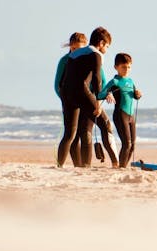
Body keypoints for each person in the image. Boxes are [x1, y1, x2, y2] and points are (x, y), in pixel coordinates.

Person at [57, 26, 117, 168]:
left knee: (70, 134)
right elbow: (97, 79)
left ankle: (59, 166)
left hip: (66, 94)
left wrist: (65, 97)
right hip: (82, 92)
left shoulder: (74, 54)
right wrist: (97, 103)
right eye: (107, 46)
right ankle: (116, 163)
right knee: (106, 124)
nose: (106, 50)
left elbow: (63, 81)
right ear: (101, 43)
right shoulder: (96, 54)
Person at [98, 53, 142, 168]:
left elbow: (134, 96)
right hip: (120, 114)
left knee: (132, 145)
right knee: (126, 143)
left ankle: (123, 167)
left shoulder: (131, 81)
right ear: (116, 67)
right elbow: (100, 94)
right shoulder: (115, 82)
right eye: (123, 67)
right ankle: (121, 168)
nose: (126, 69)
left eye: (129, 67)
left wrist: (138, 94)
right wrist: (108, 93)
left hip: (131, 116)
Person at [54, 32, 87, 167]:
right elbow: (57, 85)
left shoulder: (88, 60)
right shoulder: (65, 60)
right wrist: (65, 100)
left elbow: (100, 79)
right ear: (70, 47)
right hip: (70, 102)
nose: (76, 52)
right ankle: (59, 165)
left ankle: (79, 166)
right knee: (70, 134)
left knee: (80, 135)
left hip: (85, 102)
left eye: (80, 49)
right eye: (74, 49)